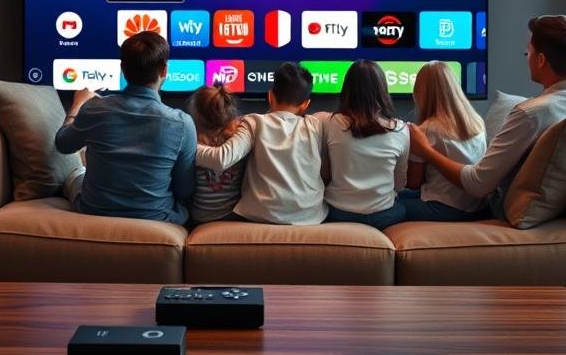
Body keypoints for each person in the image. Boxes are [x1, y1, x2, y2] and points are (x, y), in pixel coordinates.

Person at [409, 15, 566, 220]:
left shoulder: (530, 114)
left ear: (541, 60)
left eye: (529, 51)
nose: (527, 56)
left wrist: (426, 150)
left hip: (499, 206)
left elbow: (477, 184)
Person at [55, 31, 196, 225]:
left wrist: (78, 103)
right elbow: (185, 189)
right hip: (156, 218)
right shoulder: (183, 123)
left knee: (75, 174)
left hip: (93, 211)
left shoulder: (94, 109)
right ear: (164, 70)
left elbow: (62, 144)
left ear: (123, 69)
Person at [196, 63, 327, 225]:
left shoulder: (254, 122)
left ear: (270, 96)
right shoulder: (317, 124)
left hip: (262, 215)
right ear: (305, 105)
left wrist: (185, 146)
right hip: (310, 216)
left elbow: (221, 159)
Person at [321, 60, 408, 230]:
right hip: (384, 215)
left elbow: (325, 173)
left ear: (347, 88)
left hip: (337, 213)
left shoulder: (330, 123)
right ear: (382, 89)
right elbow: (399, 185)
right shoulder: (401, 130)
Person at [400, 61, 487, 221]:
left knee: (388, 204)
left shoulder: (427, 130)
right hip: (476, 207)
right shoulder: (477, 122)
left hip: (444, 207)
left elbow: (413, 183)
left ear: (420, 93)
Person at [187, 84, 246, 224]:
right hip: (234, 216)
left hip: (199, 218)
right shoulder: (239, 141)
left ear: (197, 115)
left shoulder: (191, 144)